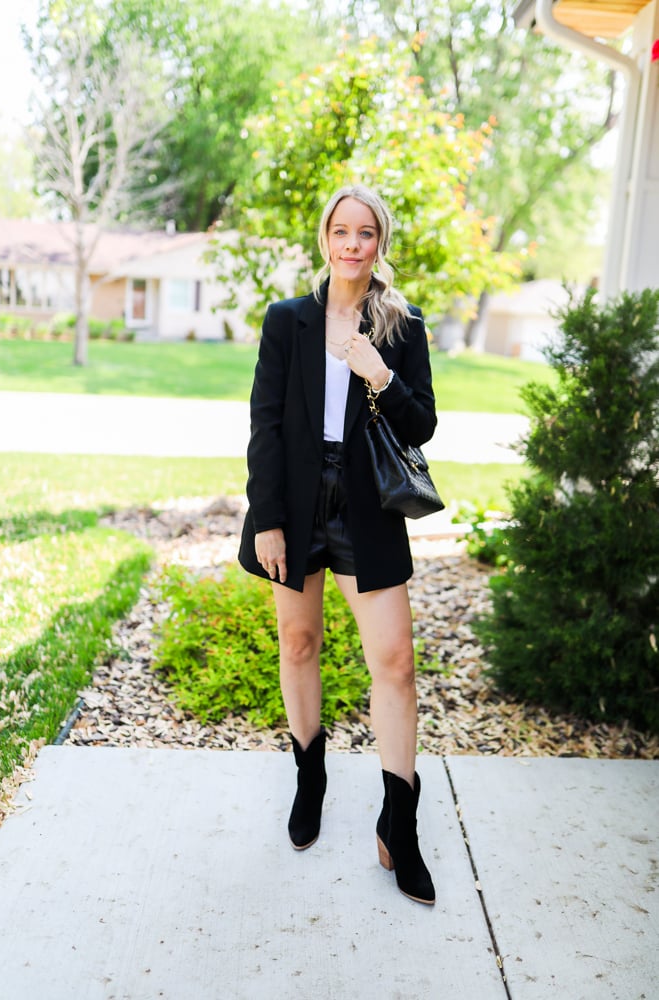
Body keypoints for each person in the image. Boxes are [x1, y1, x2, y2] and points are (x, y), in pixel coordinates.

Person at [238, 184, 437, 905]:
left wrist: (377, 372)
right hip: (293, 503)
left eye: (365, 233)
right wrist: (266, 518)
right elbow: (264, 424)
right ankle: (309, 776)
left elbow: (421, 427)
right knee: (298, 645)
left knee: (394, 662)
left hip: (367, 507)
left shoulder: (401, 323)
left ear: (380, 241)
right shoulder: (287, 320)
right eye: (340, 231)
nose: (352, 244)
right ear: (324, 238)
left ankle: (399, 823)